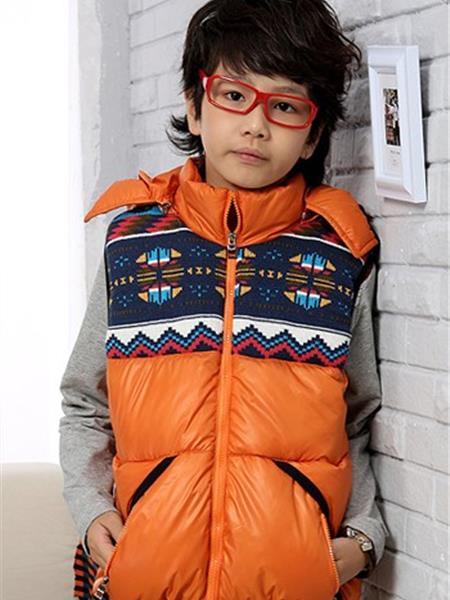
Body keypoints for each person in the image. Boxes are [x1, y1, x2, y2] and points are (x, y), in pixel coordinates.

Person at [59, 1, 389, 598]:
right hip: (145, 582)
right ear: (195, 104)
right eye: (234, 95)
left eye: (285, 106)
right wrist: (91, 509)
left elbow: (358, 418)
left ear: (313, 134)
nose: (256, 125)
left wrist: (363, 539)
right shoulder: (133, 244)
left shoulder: (340, 255)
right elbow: (85, 401)